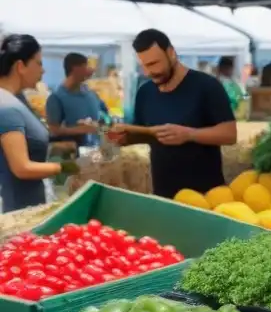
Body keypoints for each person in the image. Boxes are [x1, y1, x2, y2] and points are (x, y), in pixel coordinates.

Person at [110, 29, 237, 199]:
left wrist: (189, 134)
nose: (149, 72)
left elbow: (230, 134)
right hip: (164, 195)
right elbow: (145, 133)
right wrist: (124, 138)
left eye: (154, 63)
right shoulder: (145, 92)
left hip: (206, 196)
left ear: (171, 53)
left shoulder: (207, 86)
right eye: (145, 65)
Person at [0, 35, 77, 212]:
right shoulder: (6, 106)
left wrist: (57, 148)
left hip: (29, 203)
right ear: (20, 66)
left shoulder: (16, 99)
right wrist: (69, 167)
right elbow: (22, 167)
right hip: (17, 210)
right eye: (39, 63)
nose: (43, 71)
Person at [45, 53, 109, 150]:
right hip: (72, 155)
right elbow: (54, 130)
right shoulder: (56, 98)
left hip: (96, 152)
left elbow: (106, 118)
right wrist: (80, 130)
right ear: (75, 68)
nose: (90, 71)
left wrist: (100, 125)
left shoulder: (91, 94)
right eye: (86, 66)